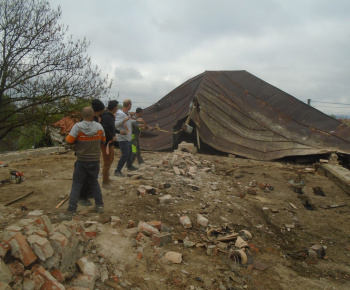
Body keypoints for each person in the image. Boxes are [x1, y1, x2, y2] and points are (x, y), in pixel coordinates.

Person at [59, 107, 105, 220]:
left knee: (77, 185)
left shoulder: (77, 127)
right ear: (93, 115)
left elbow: (69, 140)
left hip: (82, 161)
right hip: (95, 160)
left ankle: (71, 211)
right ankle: (99, 206)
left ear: (82, 115)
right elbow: (103, 140)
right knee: (94, 183)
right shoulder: (99, 127)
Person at [79, 99, 105, 206]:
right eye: (100, 112)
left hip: (92, 153)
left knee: (92, 176)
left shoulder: (94, 121)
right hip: (86, 154)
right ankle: (82, 197)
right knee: (85, 177)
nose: (101, 114)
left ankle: (89, 193)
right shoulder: (85, 123)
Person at [114, 99, 142, 177]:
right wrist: (123, 120)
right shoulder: (120, 114)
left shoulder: (127, 114)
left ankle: (129, 166)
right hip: (122, 138)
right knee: (125, 155)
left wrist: (137, 121)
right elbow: (115, 125)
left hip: (128, 137)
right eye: (131, 105)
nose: (131, 106)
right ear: (129, 105)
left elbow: (129, 122)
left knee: (129, 153)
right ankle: (117, 170)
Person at [100, 100, 119, 187]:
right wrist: (111, 137)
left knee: (111, 159)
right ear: (115, 108)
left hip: (110, 142)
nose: (117, 109)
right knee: (107, 162)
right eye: (117, 107)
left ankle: (106, 177)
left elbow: (111, 128)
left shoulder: (110, 116)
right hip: (106, 143)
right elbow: (105, 129)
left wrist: (119, 131)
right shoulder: (107, 117)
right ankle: (105, 182)